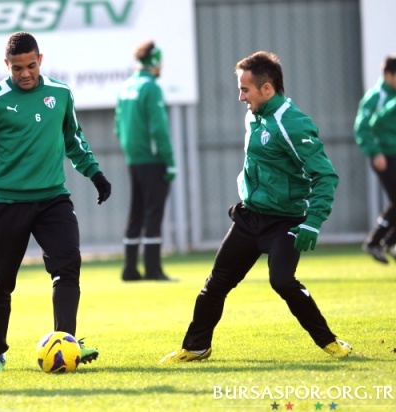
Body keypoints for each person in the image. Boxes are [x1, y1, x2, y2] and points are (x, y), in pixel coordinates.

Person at [160, 51, 351, 364]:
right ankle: (196, 347)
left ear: (267, 88)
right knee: (216, 283)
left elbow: (325, 175)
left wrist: (313, 221)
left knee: (282, 281)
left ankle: (329, 342)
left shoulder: (293, 123)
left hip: (286, 222)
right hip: (250, 217)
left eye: (244, 90)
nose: (240, 97)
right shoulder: (254, 116)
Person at [0, 31, 112, 373]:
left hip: (53, 199)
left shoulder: (61, 94)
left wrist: (95, 174)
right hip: (9, 203)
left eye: (31, 66)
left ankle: (66, 344)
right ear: (6, 65)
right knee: (1, 283)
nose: (26, 73)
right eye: (18, 68)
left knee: (67, 268)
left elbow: (74, 140)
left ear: (41, 60)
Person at [115, 40, 177, 282]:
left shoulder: (126, 86)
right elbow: (159, 128)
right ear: (155, 62)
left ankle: (130, 269)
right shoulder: (151, 88)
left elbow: (118, 125)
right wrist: (169, 161)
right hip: (152, 159)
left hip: (133, 159)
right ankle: (153, 269)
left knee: (136, 212)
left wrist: (131, 150)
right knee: (153, 213)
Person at [354, 55, 396, 264]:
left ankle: (385, 242)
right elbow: (362, 127)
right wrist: (375, 152)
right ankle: (378, 241)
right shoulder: (376, 97)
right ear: (388, 74)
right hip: (384, 156)